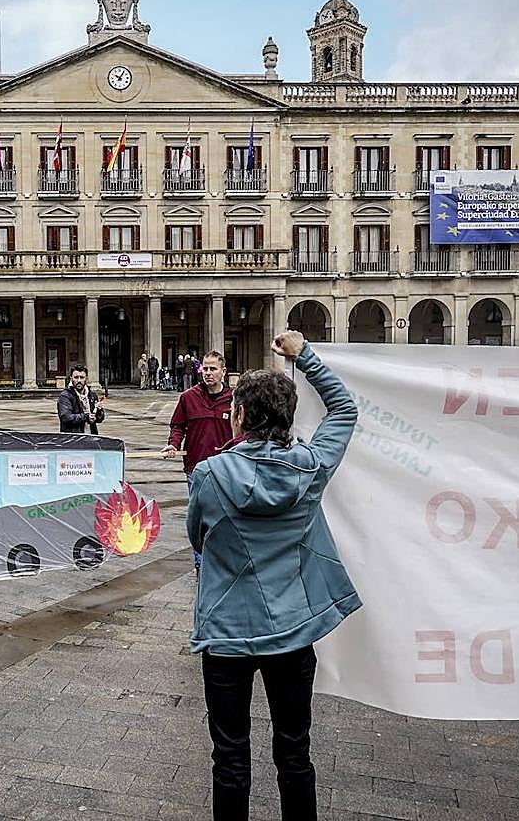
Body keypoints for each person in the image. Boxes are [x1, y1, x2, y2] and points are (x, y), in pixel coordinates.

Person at [188, 331, 360, 821]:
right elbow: (344, 410)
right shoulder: (312, 466)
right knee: (294, 751)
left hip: (227, 636)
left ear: (238, 416)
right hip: (291, 632)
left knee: (230, 758)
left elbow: (199, 539)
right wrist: (304, 356)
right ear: (287, 418)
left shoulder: (209, 475)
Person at [161, 351, 233, 574]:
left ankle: (224, 561)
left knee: (226, 516)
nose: (208, 373)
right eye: (205, 369)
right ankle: (201, 563)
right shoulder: (188, 397)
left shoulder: (234, 398)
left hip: (227, 469)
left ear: (223, 372)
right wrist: (174, 444)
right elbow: (178, 426)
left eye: (213, 369)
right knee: (199, 517)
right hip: (196, 469)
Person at [57, 364, 105, 434]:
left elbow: (100, 418)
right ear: (71, 378)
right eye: (76, 377)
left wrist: (99, 412)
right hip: (73, 439)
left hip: (91, 437)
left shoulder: (92, 395)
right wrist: (86, 417)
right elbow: (66, 417)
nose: (79, 380)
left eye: (82, 377)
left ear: (86, 379)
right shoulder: (65, 396)